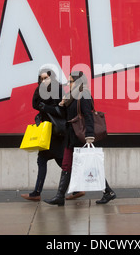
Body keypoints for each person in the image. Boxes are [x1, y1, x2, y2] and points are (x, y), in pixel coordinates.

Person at [44, 71, 116, 206]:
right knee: (68, 165)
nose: (68, 84)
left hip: (80, 137)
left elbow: (88, 116)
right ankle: (60, 196)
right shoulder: (72, 96)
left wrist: (90, 135)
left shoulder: (84, 95)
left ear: (78, 82)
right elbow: (68, 115)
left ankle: (108, 192)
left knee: (86, 165)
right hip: (71, 136)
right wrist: (62, 105)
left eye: (70, 82)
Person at [20, 69, 66, 201]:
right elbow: (35, 104)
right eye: (41, 78)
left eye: (46, 78)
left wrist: (45, 107)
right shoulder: (41, 90)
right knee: (59, 161)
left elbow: (61, 111)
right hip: (47, 132)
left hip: (56, 132)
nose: (43, 80)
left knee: (51, 161)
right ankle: (78, 188)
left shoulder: (57, 89)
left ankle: (36, 193)